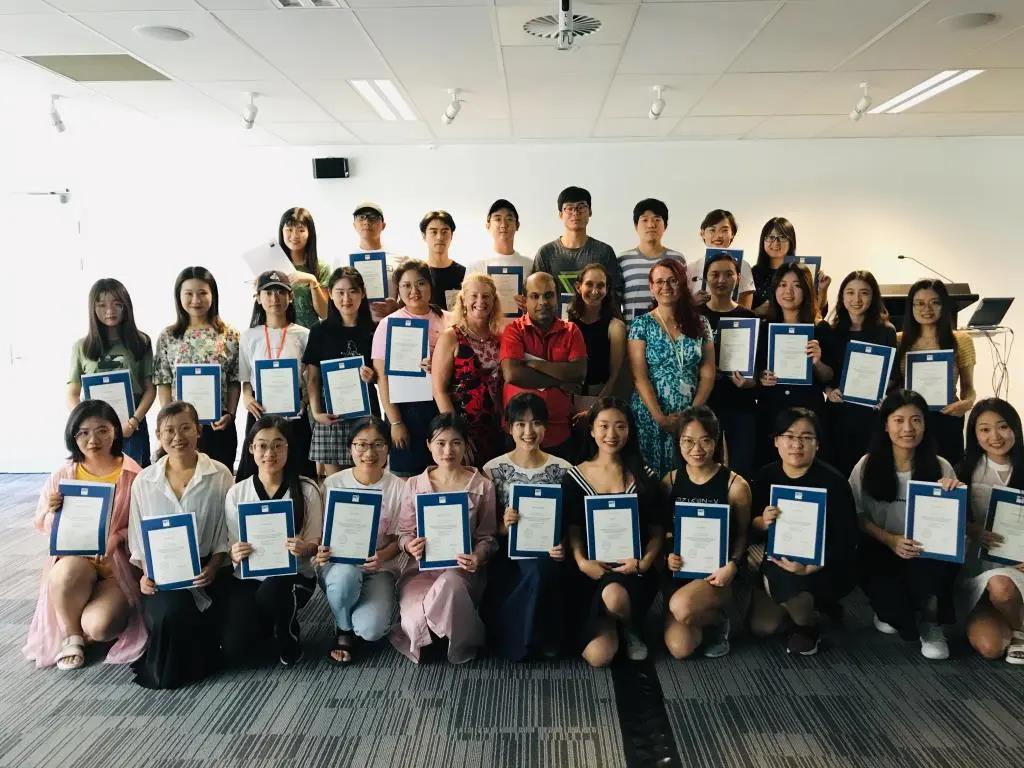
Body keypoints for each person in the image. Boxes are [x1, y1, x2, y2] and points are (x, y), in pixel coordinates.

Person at [24, 401, 147, 670]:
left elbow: (143, 525)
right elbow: (42, 525)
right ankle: (72, 635)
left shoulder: (133, 474)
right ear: (73, 435)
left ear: (115, 431)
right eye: (83, 433)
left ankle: (87, 620)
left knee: (100, 627)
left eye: (102, 431)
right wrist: (52, 511)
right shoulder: (64, 474)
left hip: (115, 569)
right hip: (76, 564)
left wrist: (117, 538)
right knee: (64, 572)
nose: (93, 440)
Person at [127, 402, 233, 689]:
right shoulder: (144, 481)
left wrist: (214, 566)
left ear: (198, 430)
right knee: (172, 611)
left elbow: (227, 531)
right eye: (169, 431)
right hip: (164, 578)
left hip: (209, 573)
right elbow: (138, 539)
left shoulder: (220, 474)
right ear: (158, 436)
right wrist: (146, 576)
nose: (178, 437)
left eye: (186, 428)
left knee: (235, 637)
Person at [849, 390, 961, 659]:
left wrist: (953, 492)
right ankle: (892, 609)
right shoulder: (867, 465)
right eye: (898, 420)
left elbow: (953, 525)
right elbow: (858, 516)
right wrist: (890, 540)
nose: (908, 428)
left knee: (935, 576)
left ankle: (932, 623)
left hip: (926, 551)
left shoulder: (941, 467)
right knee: (895, 616)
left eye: (916, 420)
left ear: (925, 425)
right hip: (881, 547)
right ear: (886, 425)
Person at [563, 399, 665, 666]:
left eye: (620, 426)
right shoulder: (575, 476)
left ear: (630, 430)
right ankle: (611, 622)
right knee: (599, 657)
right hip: (590, 570)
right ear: (591, 430)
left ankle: (631, 626)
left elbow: (657, 529)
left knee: (615, 597)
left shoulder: (643, 475)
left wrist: (644, 562)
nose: (612, 434)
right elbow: (573, 528)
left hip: (632, 569)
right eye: (604, 426)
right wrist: (582, 562)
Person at [748, 408, 858, 656]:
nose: (797, 444)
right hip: (778, 558)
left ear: (817, 444)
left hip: (824, 565)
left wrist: (813, 566)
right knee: (762, 627)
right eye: (789, 436)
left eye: (806, 437)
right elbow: (751, 526)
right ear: (776, 440)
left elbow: (848, 539)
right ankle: (809, 609)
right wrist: (762, 521)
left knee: (791, 585)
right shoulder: (766, 475)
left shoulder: (834, 482)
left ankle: (808, 624)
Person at [392, 414, 498, 663]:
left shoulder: (482, 486)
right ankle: (437, 630)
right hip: (421, 571)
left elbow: (487, 536)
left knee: (450, 585)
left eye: (456, 443)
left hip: (462, 571)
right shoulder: (414, 484)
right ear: (428, 445)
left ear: (466, 445)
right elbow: (403, 533)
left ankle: (461, 639)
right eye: (440, 443)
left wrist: (478, 556)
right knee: (414, 620)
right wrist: (409, 545)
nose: (448, 451)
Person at [221, 416, 322, 666]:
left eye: (278, 445)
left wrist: (305, 548)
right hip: (249, 578)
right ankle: (270, 625)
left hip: (294, 576)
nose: (270, 453)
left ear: (289, 447)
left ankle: (288, 635)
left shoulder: (307, 489)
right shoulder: (237, 492)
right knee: (235, 648)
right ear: (251, 449)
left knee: (272, 591)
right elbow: (231, 545)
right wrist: (234, 553)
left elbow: (315, 544)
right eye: (262, 445)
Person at [482, 393, 573, 661]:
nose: (528, 432)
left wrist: (563, 545)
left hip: (549, 550)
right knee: (532, 570)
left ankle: (532, 638)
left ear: (546, 427)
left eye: (536, 423)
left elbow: (570, 521)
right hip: (508, 550)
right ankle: (525, 640)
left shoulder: (564, 469)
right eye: (520, 424)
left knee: (542, 567)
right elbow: (485, 528)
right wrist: (504, 525)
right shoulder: (493, 469)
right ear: (509, 428)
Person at [663, 407, 751, 659]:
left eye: (705, 441)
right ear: (678, 442)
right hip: (681, 573)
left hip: (719, 574)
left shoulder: (735, 485)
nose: (697, 449)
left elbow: (744, 535)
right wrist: (668, 555)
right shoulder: (670, 481)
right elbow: (665, 531)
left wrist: (733, 565)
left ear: (716, 441)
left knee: (681, 607)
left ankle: (720, 618)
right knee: (679, 648)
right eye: (688, 441)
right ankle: (703, 618)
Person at [318, 417, 406, 664]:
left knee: (372, 630)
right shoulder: (333, 483)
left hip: (379, 567)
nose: (369, 453)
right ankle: (343, 628)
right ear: (351, 448)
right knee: (346, 576)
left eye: (378, 444)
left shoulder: (398, 487)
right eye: (361, 445)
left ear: (388, 448)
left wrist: (381, 557)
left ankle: (349, 611)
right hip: (339, 566)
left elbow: (398, 540)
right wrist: (321, 550)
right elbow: (320, 534)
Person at [627, 258, 715, 479]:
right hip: (650, 415)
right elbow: (639, 376)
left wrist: (691, 414)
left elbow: (708, 372)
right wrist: (660, 417)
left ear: (682, 283)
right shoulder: (640, 325)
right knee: (649, 480)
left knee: (687, 476)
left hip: (691, 416)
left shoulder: (701, 323)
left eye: (672, 280)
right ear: (651, 287)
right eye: (659, 281)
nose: (665, 286)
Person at [153, 266, 240, 471]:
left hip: (218, 427)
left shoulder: (229, 334)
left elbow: (234, 380)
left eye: (202, 293)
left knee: (220, 480)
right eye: (189, 294)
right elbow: (163, 382)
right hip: (180, 430)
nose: (196, 300)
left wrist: (231, 414)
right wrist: (168, 422)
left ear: (213, 295)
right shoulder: (168, 336)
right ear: (179, 296)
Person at [957, 399, 1024, 663]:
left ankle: (1018, 633)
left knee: (1002, 587)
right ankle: (1011, 617)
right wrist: (972, 529)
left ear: (1015, 428)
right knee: (991, 648)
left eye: (1003, 427)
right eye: (984, 429)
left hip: (1018, 569)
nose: (995, 436)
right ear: (974, 434)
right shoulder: (964, 471)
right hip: (978, 570)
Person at [67, 278, 156, 467]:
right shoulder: (81, 347)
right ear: (93, 309)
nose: (110, 311)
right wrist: (85, 424)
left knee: (134, 478)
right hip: (94, 432)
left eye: (117, 304)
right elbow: (72, 394)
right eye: (102, 305)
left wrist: (133, 422)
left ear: (126, 306)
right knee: (97, 476)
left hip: (131, 427)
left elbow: (150, 389)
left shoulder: (141, 342)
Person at [371, 260, 447, 477]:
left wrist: (439, 365)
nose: (414, 291)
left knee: (442, 475)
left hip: (441, 407)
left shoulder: (448, 319)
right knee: (407, 479)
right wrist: (396, 421)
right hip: (405, 412)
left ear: (430, 285)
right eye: (406, 285)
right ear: (398, 289)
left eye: (420, 283)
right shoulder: (388, 324)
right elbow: (382, 378)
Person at [754, 262, 834, 468]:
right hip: (772, 411)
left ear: (806, 290)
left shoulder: (820, 329)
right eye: (782, 285)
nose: (788, 291)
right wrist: (762, 377)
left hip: (809, 413)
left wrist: (817, 362)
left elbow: (829, 376)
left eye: (796, 285)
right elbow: (756, 374)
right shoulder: (764, 328)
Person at [500, 272, 587, 459]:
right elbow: (513, 374)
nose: (543, 302)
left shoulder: (572, 331)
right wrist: (560, 381)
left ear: (557, 297)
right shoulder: (513, 331)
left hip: (559, 434)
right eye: (535, 296)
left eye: (548, 295)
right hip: (518, 435)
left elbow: (578, 372)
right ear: (525, 300)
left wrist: (533, 364)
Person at [305, 267, 380, 478]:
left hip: (366, 414)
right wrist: (316, 413)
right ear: (330, 294)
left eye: (353, 291)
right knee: (335, 484)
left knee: (368, 479)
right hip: (331, 415)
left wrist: (373, 377)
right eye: (340, 292)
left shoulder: (374, 330)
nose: (346, 299)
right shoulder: (319, 331)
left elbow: (382, 376)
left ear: (362, 293)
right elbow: (312, 377)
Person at [237, 271, 312, 480]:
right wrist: (247, 398)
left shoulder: (304, 334)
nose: (274, 298)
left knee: (298, 474)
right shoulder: (249, 336)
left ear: (290, 297)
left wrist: (304, 400)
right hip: (260, 412)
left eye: (281, 292)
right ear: (258, 298)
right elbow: (245, 379)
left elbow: (311, 379)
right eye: (268, 293)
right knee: (257, 472)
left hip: (295, 413)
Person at [824, 271, 898, 476]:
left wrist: (879, 392)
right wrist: (829, 391)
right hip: (839, 413)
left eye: (864, 293)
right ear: (842, 296)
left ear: (873, 297)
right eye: (850, 292)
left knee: (871, 473)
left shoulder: (887, 331)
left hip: (871, 415)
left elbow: (893, 376)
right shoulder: (832, 331)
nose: (856, 299)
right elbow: (826, 374)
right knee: (839, 471)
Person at [896, 279, 976, 466]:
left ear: (944, 306)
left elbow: (968, 387)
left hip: (947, 417)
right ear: (911, 307)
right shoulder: (898, 340)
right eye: (920, 303)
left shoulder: (961, 340)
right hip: (909, 421)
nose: (927, 309)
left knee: (946, 473)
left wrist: (968, 403)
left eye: (934, 302)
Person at [432, 273, 504, 467]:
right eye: (474, 295)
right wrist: (457, 434)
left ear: (494, 301)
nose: (480, 301)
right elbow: (439, 391)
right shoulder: (451, 337)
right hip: (465, 431)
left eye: (486, 296)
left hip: (497, 429)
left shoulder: (499, 337)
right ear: (463, 299)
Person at [699, 251, 758, 478]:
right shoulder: (695, 316)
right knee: (704, 469)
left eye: (728, 274)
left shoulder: (749, 318)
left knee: (741, 471)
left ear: (738, 278)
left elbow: (759, 368)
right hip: (704, 404)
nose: (721, 280)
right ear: (706, 278)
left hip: (740, 404)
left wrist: (750, 382)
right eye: (715, 274)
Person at [533, 186, 624, 306]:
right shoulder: (546, 253)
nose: (575, 213)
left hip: (596, 317)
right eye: (569, 208)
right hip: (556, 318)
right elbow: (536, 294)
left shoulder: (604, 252)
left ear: (590, 211)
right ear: (560, 214)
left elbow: (615, 293)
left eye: (581, 207)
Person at [568, 263, 627, 411]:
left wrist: (593, 409)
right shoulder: (567, 324)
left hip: (602, 403)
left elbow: (615, 377)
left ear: (607, 289)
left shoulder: (616, 327)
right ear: (578, 287)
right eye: (589, 284)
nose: (595, 291)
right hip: (569, 401)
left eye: (600, 286)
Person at [618, 198, 686, 322]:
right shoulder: (623, 260)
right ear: (636, 226)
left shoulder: (677, 259)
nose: (651, 225)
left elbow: (684, 297)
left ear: (665, 225)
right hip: (632, 329)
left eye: (657, 219)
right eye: (645, 220)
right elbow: (616, 300)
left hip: (670, 329)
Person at [751, 218, 829, 317]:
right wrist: (756, 311)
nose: (776, 242)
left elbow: (819, 313)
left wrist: (823, 290)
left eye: (782, 237)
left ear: (791, 241)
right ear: (763, 240)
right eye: (770, 237)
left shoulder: (803, 271)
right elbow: (743, 311)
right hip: (762, 326)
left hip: (797, 326)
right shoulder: (752, 273)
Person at [687, 209, 754, 309]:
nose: (718, 236)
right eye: (712, 230)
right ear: (702, 234)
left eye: (724, 230)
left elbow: (746, 310)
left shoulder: (743, 266)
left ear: (732, 234)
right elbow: (681, 307)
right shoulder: (691, 268)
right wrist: (692, 302)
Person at [354, 202, 409, 322]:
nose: (366, 221)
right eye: (361, 217)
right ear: (354, 225)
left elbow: (410, 296)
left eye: (373, 217)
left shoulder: (400, 259)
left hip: (389, 324)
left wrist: (397, 308)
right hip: (355, 326)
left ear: (383, 225)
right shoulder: (344, 260)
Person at [278, 207, 330, 328]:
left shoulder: (322, 267)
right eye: (289, 229)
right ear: (282, 231)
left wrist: (312, 280)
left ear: (309, 233)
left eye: (301, 230)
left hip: (311, 334)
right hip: (280, 335)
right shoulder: (273, 266)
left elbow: (324, 314)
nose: (295, 235)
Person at [419, 210, 466, 311]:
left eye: (444, 232)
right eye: (434, 232)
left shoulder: (464, 273)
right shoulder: (417, 273)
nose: (439, 237)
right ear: (424, 236)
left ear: (451, 235)